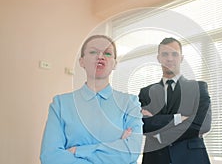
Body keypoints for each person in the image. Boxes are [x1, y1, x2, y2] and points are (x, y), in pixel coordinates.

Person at [40, 35, 143, 164]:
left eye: (107, 53)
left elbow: (131, 152)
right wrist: (116, 148)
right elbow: (50, 157)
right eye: (93, 52)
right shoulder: (61, 104)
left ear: (115, 64)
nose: (100, 56)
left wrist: (79, 151)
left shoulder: (130, 103)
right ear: (81, 61)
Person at [139, 37, 211, 164]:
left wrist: (161, 136)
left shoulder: (198, 88)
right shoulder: (146, 92)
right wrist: (177, 118)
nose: (170, 58)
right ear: (158, 58)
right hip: (155, 159)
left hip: (191, 158)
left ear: (181, 58)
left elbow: (202, 124)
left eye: (174, 54)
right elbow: (142, 124)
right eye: (165, 54)